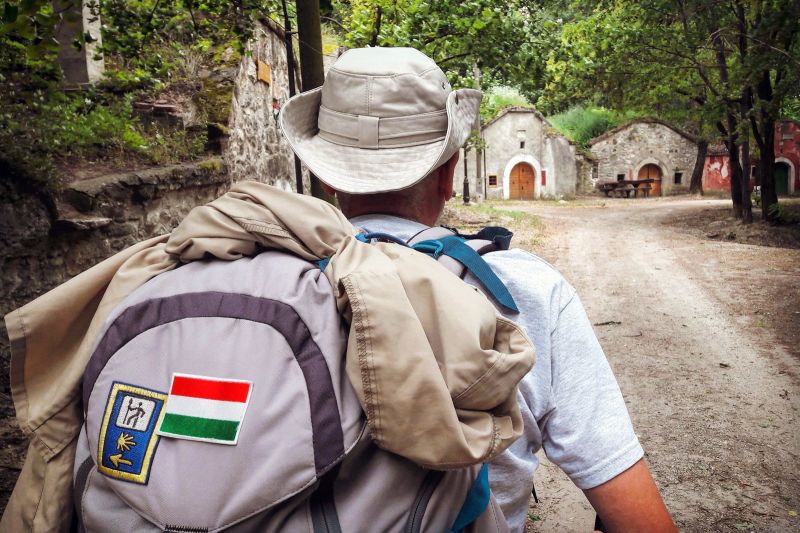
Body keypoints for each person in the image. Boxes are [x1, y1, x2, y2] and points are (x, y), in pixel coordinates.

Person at [280, 46, 677, 532]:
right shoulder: (525, 292)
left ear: (324, 177)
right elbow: (637, 516)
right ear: (449, 176)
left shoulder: (266, 281)